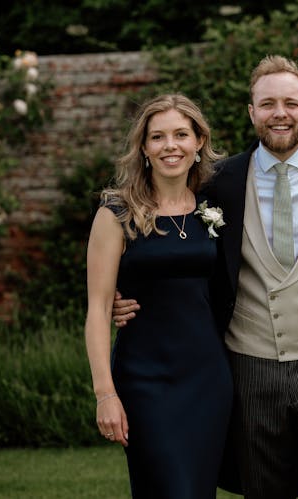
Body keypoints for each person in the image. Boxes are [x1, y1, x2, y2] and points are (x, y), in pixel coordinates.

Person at [113, 55, 298, 499]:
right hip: (247, 366)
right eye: (267, 103)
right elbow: (174, 247)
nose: (280, 113)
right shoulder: (217, 181)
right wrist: (131, 296)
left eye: (291, 103)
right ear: (251, 111)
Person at [84, 93, 233, 498]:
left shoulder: (213, 208)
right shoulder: (116, 213)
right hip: (146, 379)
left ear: (199, 141)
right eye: (158, 137)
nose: (171, 146)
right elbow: (98, 309)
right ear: (144, 147)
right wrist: (105, 394)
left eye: (181, 134)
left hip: (208, 379)